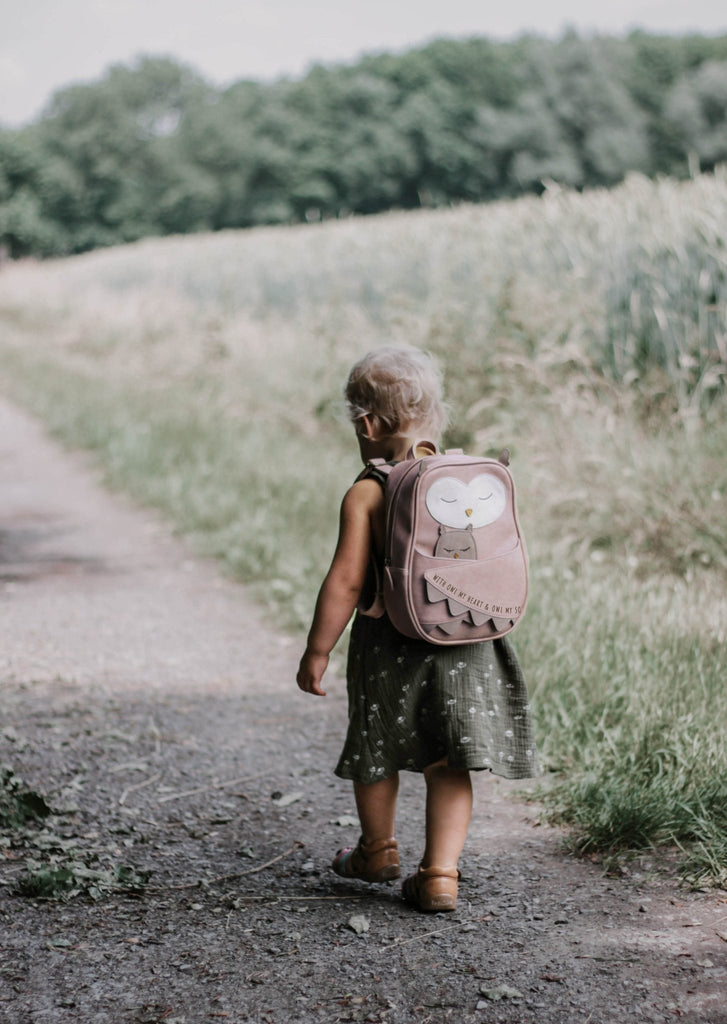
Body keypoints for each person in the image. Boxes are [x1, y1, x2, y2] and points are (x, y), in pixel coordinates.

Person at [296, 345, 539, 912]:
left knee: (376, 747)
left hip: (390, 644)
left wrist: (317, 650)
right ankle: (440, 876)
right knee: (449, 759)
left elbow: (347, 583)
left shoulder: (368, 491)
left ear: (366, 423)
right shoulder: (470, 480)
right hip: (470, 637)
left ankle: (378, 849)